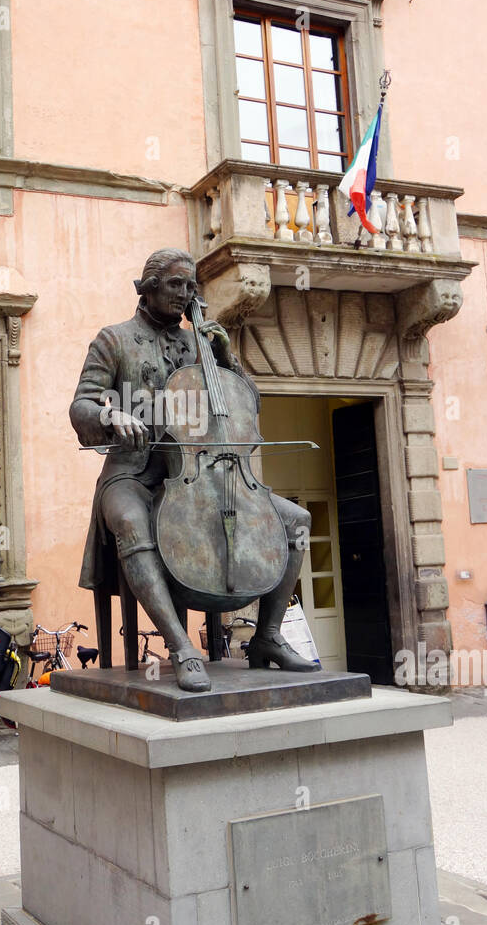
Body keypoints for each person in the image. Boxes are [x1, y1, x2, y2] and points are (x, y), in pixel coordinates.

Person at [70, 248, 317, 691]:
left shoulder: (198, 343)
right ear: (147, 288)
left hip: (206, 472)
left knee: (296, 520)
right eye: (175, 285)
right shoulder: (115, 339)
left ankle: (267, 636)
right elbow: (82, 404)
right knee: (130, 521)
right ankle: (182, 647)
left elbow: (247, 404)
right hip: (134, 471)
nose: (185, 295)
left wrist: (226, 361)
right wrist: (112, 417)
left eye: (190, 287)